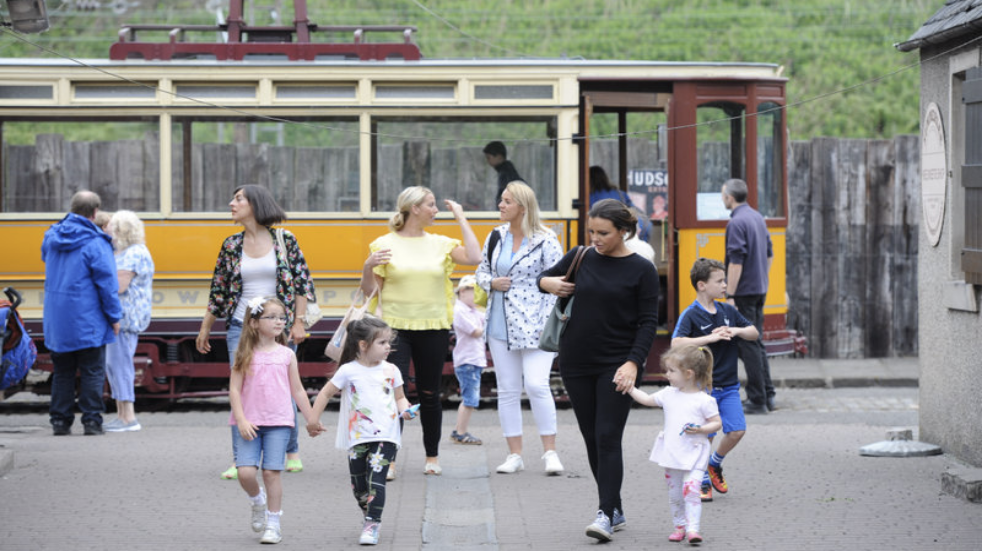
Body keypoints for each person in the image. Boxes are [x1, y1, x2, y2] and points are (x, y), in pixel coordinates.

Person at [537, 198, 659, 542]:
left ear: (624, 231)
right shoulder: (581, 256)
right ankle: (614, 506)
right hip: (575, 362)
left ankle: (604, 514)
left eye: (603, 232)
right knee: (592, 437)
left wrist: (633, 362)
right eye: (591, 231)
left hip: (617, 364)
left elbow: (649, 323)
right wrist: (548, 284)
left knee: (607, 437)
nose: (595, 238)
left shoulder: (642, 269)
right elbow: (543, 278)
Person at [196, 184, 316, 479]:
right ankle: (241, 459)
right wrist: (205, 329)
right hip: (241, 326)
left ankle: (292, 450)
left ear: (255, 204)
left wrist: (298, 322)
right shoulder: (231, 245)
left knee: (284, 387)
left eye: (238, 199)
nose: (231, 203)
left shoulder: (284, 239)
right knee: (242, 388)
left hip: (279, 328)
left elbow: (302, 284)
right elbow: (219, 292)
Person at [361, 186, 481, 477]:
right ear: (414, 208)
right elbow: (370, 292)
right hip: (395, 329)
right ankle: (389, 460)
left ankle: (431, 457)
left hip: (434, 326)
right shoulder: (384, 244)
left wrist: (461, 218)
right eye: (431, 204)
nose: (435, 210)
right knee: (392, 394)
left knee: (429, 394)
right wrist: (367, 266)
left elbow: (475, 256)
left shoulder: (441, 243)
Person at [476, 181, 565, 475]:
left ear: (523, 208)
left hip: (537, 323)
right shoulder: (495, 236)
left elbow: (560, 280)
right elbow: (481, 272)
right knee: (508, 390)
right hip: (500, 323)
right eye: (501, 200)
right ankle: (514, 454)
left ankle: (550, 452)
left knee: (538, 385)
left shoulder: (546, 239)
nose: (500, 205)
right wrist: (491, 283)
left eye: (506, 201)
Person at [306, 316, 418, 546]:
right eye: (382, 343)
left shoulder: (392, 369)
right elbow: (325, 393)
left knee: (377, 479)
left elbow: (400, 397)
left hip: (386, 434)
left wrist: (405, 410)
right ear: (363, 345)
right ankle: (370, 512)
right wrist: (312, 420)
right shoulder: (348, 371)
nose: (389, 347)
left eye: (389, 342)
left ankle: (372, 523)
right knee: (359, 486)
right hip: (357, 436)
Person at [228, 296, 318, 545]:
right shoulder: (243, 353)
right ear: (254, 323)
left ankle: (273, 523)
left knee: (271, 473)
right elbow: (234, 390)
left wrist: (311, 419)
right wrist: (241, 420)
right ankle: (257, 502)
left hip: (279, 422)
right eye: (272, 317)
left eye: (281, 317)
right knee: (245, 473)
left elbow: (298, 390)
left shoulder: (287, 354)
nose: (279, 321)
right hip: (249, 424)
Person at [672, 257, 759, 503]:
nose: (724, 286)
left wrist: (738, 331)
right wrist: (709, 338)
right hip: (703, 388)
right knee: (705, 436)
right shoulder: (690, 314)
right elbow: (676, 343)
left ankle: (714, 464)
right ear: (702, 285)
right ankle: (701, 479)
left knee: (737, 431)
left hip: (729, 386)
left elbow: (754, 333)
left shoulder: (728, 311)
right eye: (719, 281)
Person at [42, 190, 123, 436]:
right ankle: (91, 421)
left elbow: (47, 259)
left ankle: (60, 422)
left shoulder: (51, 236)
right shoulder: (96, 242)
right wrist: (114, 316)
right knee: (91, 370)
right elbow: (108, 285)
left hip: (57, 317)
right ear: (95, 212)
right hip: (89, 317)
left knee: (63, 371)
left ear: (72, 207)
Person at [629, 345, 722, 545]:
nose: (667, 374)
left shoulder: (704, 400)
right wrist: (630, 388)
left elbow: (717, 422)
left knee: (691, 489)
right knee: (675, 495)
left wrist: (701, 429)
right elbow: (646, 399)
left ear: (688, 374)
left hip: (695, 453)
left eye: (671, 371)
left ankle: (693, 529)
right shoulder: (668, 393)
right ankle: (679, 526)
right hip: (672, 453)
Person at [721, 178, 775, 414]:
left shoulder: (736, 223)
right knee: (757, 343)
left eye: (723, 195)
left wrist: (730, 294)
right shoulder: (757, 217)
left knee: (748, 345)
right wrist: (761, 276)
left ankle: (757, 399)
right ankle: (768, 394)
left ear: (730, 198)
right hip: (760, 288)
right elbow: (769, 253)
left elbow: (735, 262)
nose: (723, 199)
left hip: (743, 291)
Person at [104, 210, 155, 432]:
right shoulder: (125, 251)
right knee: (113, 364)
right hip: (120, 316)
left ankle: (129, 418)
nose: (107, 230)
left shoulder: (133, 254)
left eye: (112, 226)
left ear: (121, 230)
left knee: (120, 364)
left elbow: (119, 286)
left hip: (125, 317)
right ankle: (121, 415)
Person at [449, 275, 485, 446]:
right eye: (475, 292)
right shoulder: (460, 311)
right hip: (467, 361)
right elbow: (476, 331)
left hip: (473, 360)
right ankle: (461, 433)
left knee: (469, 398)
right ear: (463, 292)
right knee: (469, 399)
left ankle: (459, 431)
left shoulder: (472, 311)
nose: (477, 297)